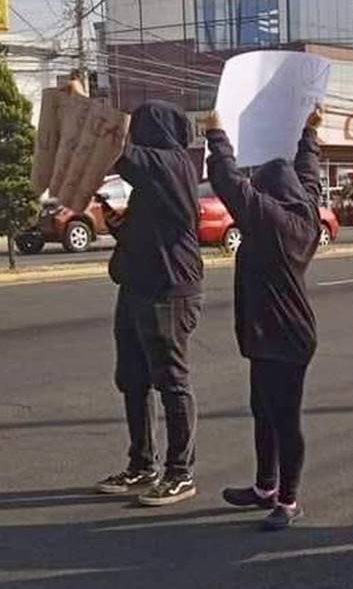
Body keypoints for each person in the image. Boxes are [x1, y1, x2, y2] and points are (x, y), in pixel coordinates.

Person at [201, 105, 324, 531]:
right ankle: (265, 486)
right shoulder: (303, 209)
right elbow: (308, 174)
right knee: (263, 409)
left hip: (284, 337)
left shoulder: (275, 222)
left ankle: (288, 499)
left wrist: (217, 137)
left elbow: (231, 186)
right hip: (270, 332)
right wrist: (309, 134)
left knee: (284, 418)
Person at [92, 88, 205, 507]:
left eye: (140, 128)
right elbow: (147, 233)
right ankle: (142, 464)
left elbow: (118, 149)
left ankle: (180, 473)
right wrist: (118, 223)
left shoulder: (173, 164)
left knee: (171, 381)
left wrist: (85, 104)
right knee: (133, 380)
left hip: (169, 290)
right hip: (137, 286)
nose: (136, 136)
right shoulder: (154, 176)